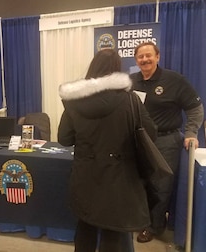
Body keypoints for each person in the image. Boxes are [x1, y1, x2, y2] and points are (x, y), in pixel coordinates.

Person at [58, 49, 157, 252]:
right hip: (119, 176)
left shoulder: (74, 100)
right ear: (116, 71)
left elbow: (64, 139)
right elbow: (151, 134)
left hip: (85, 175)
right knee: (114, 232)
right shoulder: (130, 100)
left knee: (85, 226)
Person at [130, 42, 204, 243]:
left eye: (148, 55)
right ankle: (141, 220)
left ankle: (155, 227)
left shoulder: (174, 80)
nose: (145, 60)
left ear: (158, 57)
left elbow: (195, 109)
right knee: (140, 183)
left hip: (166, 141)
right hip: (139, 141)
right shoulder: (130, 81)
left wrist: (191, 132)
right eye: (140, 57)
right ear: (136, 60)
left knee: (161, 186)